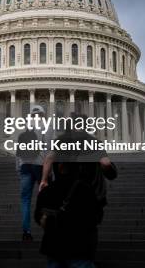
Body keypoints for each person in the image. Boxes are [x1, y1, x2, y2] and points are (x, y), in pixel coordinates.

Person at [36, 113, 117, 268]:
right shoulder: (92, 142)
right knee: (85, 228)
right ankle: (82, 256)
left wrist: (44, 180)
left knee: (63, 223)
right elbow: (106, 164)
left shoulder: (60, 141)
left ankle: (63, 254)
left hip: (63, 192)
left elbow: (48, 158)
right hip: (87, 195)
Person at [17, 105, 52, 241]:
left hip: (25, 166)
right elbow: (50, 148)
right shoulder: (47, 127)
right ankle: (48, 228)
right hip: (40, 165)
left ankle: (26, 231)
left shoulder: (25, 127)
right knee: (46, 198)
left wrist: (19, 168)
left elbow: (19, 150)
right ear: (43, 114)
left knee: (25, 199)